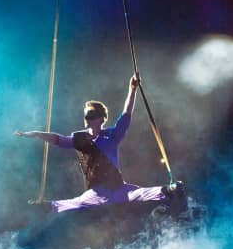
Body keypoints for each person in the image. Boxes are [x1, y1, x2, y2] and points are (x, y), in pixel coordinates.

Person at [15, 72, 181, 213]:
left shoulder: (112, 135)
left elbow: (126, 113)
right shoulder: (79, 139)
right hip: (96, 192)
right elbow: (58, 139)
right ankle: (44, 207)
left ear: (101, 119)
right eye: (86, 115)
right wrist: (37, 134)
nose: (87, 118)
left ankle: (171, 189)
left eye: (91, 115)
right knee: (77, 203)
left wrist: (132, 89)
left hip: (118, 188)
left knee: (139, 193)